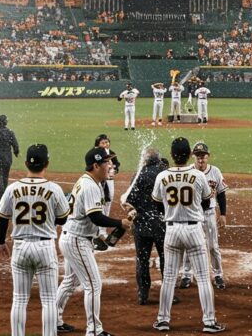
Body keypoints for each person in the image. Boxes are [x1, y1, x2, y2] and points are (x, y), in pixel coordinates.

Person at [152, 137, 226, 333]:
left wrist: (172, 211)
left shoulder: (162, 176)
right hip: (194, 229)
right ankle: (209, 322)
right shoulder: (198, 176)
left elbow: (157, 203)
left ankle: (162, 320)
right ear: (188, 155)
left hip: (172, 230)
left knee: (168, 278)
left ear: (172, 154)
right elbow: (205, 203)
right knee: (202, 278)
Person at [55, 147, 132, 336]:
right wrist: (120, 222)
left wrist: (103, 235)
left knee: (70, 281)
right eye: (107, 162)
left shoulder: (91, 181)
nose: (110, 165)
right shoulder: (90, 185)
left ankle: (53, 319)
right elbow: (96, 217)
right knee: (93, 285)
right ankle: (94, 331)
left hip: (73, 236)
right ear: (96, 165)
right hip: (76, 240)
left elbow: (92, 217)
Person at [0, 143, 70, 335]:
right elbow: (63, 218)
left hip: (20, 247)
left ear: (25, 163)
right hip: (45, 247)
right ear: (47, 163)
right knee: (48, 300)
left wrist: (0, 242)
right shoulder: (54, 189)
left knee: (19, 299)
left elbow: (2, 218)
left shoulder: (13, 188)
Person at [122, 148, 169, 305]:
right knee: (165, 258)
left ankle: (143, 293)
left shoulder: (138, 174)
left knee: (142, 260)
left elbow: (129, 201)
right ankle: (168, 294)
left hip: (141, 224)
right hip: (161, 224)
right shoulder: (163, 173)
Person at [179, 142, 228, 290]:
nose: (201, 160)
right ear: (193, 156)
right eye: (198, 156)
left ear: (208, 156)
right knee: (189, 245)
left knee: (213, 246)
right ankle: (187, 275)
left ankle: (218, 275)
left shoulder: (215, 172)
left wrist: (223, 214)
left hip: (209, 214)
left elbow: (221, 193)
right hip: (192, 215)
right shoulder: (187, 171)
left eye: (203, 156)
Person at [93, 134, 121, 249]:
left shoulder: (111, 153)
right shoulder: (95, 154)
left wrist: (114, 169)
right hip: (100, 181)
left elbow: (117, 164)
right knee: (100, 204)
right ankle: (98, 231)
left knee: (108, 203)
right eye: (103, 143)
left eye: (107, 142)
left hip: (110, 182)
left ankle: (102, 230)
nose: (105, 144)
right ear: (98, 145)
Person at [0, 114, 19, 201]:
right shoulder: (10, 132)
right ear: (6, 122)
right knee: (5, 175)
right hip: (7, 156)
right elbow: (15, 144)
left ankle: (0, 193)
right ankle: (3, 192)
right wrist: (16, 152)